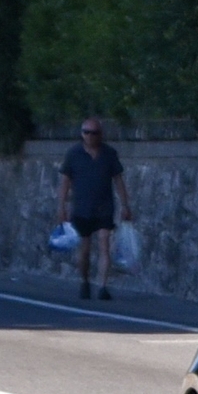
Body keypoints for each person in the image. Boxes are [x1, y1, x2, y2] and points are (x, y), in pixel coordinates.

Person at [57, 118, 133, 299]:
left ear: (101, 134)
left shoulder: (109, 154)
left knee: (104, 244)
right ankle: (85, 281)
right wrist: (61, 207)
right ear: (82, 134)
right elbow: (65, 182)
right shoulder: (73, 154)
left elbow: (118, 181)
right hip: (81, 209)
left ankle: (103, 287)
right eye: (86, 132)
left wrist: (125, 205)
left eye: (94, 133)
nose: (90, 136)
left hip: (104, 208)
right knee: (84, 250)